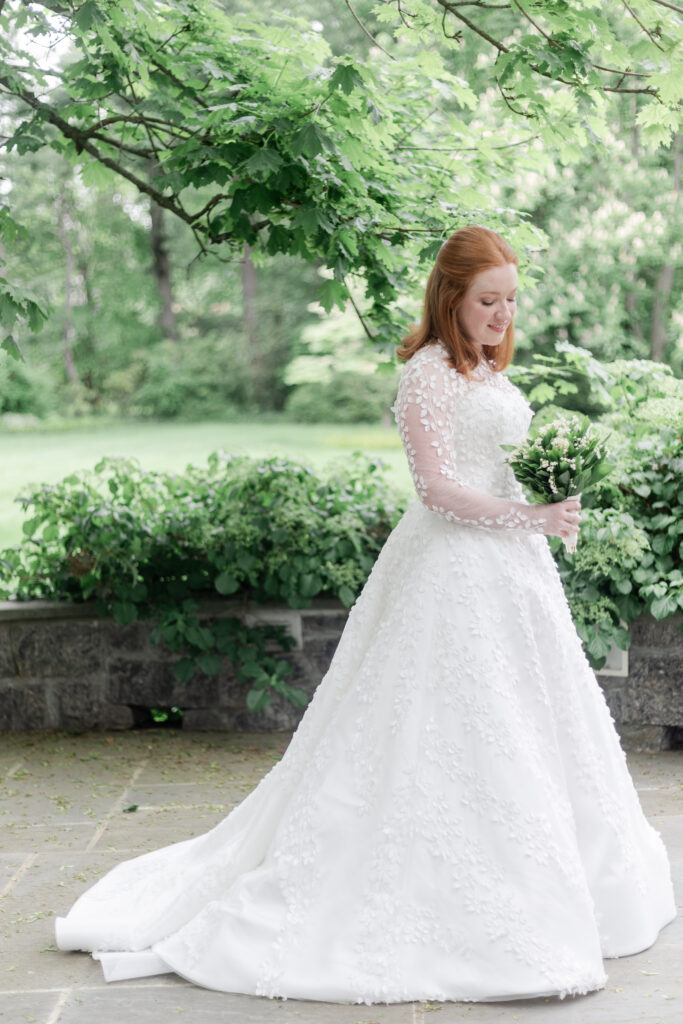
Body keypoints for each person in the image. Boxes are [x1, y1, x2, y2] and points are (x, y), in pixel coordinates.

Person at [55, 226, 676, 1005]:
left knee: (531, 721)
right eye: (488, 300)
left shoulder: (486, 370)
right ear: (449, 297)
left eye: (511, 300)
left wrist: (547, 499)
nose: (502, 314)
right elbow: (437, 492)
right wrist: (529, 519)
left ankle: (572, 883)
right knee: (440, 728)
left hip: (515, 577)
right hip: (450, 573)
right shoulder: (424, 376)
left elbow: (501, 469)